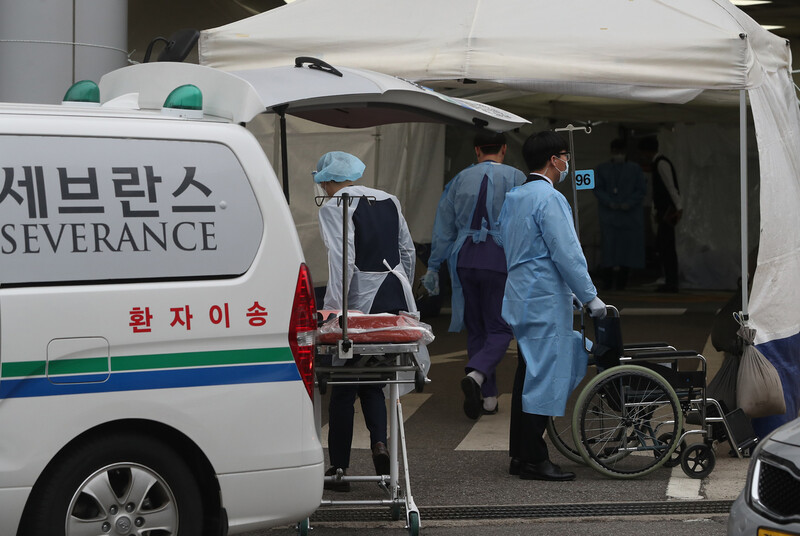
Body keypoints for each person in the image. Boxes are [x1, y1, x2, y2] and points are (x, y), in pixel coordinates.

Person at [498, 131, 607, 481]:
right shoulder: (550, 198)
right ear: (553, 160)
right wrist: (589, 296)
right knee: (543, 376)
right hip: (543, 298)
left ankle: (520, 454)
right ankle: (533, 458)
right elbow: (567, 254)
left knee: (527, 374)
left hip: (520, 293)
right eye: (564, 156)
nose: (567, 163)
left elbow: (514, 244)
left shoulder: (515, 196)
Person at [314, 151, 416, 491]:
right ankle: (380, 444)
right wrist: (404, 288)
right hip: (395, 293)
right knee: (375, 378)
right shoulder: (389, 199)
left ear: (328, 179)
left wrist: (334, 310)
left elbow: (342, 259)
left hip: (359, 302)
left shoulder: (335, 206)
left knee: (344, 385)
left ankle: (339, 468)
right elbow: (407, 251)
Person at [420, 131, 526, 419]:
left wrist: (433, 265)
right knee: (501, 328)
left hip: (464, 258)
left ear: (477, 150)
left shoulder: (458, 180)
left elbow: (443, 227)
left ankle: (489, 397)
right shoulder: (517, 177)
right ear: (504, 149)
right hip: (500, 257)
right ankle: (478, 377)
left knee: (477, 328)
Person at [593, 138, 647, 290]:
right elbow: (597, 188)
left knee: (628, 250)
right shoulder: (601, 169)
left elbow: (641, 190)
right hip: (609, 216)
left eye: (621, 152)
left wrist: (629, 203)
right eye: (617, 152)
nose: (619, 155)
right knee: (609, 249)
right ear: (611, 152)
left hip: (629, 216)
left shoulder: (635, 169)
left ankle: (622, 282)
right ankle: (608, 282)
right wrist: (609, 202)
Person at [638, 137, 682, 293]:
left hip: (667, 212)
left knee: (667, 246)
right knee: (664, 246)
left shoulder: (661, 163)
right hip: (664, 211)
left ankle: (672, 282)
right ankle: (669, 279)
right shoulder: (658, 164)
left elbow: (671, 187)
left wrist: (678, 207)